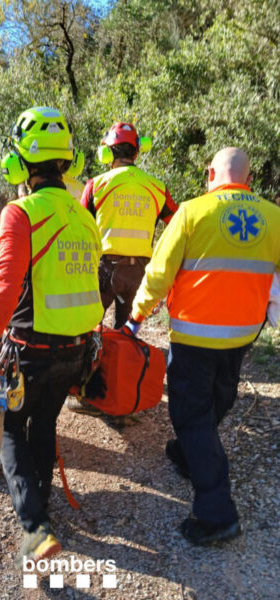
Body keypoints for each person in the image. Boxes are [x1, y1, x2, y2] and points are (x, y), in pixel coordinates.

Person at [0, 106, 103, 566]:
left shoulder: (20, 212)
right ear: (70, 163)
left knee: (6, 429)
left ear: (19, 164)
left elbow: (4, 286)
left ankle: (34, 526)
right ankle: (41, 503)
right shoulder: (85, 217)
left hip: (30, 350)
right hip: (76, 350)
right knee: (44, 423)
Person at [128, 147, 280, 545]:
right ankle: (186, 453)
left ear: (211, 173)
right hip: (242, 336)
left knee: (192, 413)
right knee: (220, 397)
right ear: (248, 178)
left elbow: (159, 273)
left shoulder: (193, 212)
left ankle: (216, 513)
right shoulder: (274, 217)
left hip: (196, 337)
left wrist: (136, 316)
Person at [81, 122, 178, 329]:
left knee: (88, 329)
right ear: (137, 152)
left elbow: (79, 226)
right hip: (139, 273)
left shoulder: (96, 185)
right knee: (125, 335)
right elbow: (177, 224)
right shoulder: (157, 188)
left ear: (107, 154)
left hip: (105, 269)